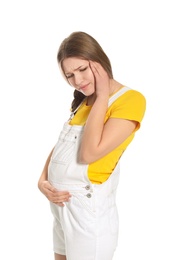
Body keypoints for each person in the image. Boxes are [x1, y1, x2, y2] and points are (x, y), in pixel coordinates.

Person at [38, 31, 146, 260]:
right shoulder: (83, 102)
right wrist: (43, 179)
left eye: (82, 70)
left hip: (87, 212)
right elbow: (63, 143)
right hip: (62, 208)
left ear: (99, 62)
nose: (77, 81)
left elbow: (89, 153)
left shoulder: (130, 100)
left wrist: (103, 94)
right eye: (69, 75)